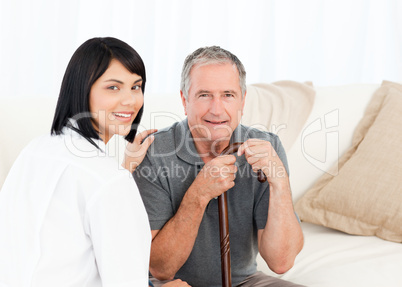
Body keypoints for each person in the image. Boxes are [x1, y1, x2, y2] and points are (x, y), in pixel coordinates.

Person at [0, 37, 189, 287]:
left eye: (136, 86)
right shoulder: (107, 180)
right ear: (82, 89)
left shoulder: (36, 149)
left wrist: (122, 169)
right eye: (113, 87)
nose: (130, 100)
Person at [133, 46, 305, 287]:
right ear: (184, 100)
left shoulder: (267, 147)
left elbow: (281, 262)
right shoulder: (155, 152)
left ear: (242, 101)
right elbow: (160, 268)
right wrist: (199, 193)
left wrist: (280, 183)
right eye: (204, 95)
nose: (216, 109)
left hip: (244, 281)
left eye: (228, 95)